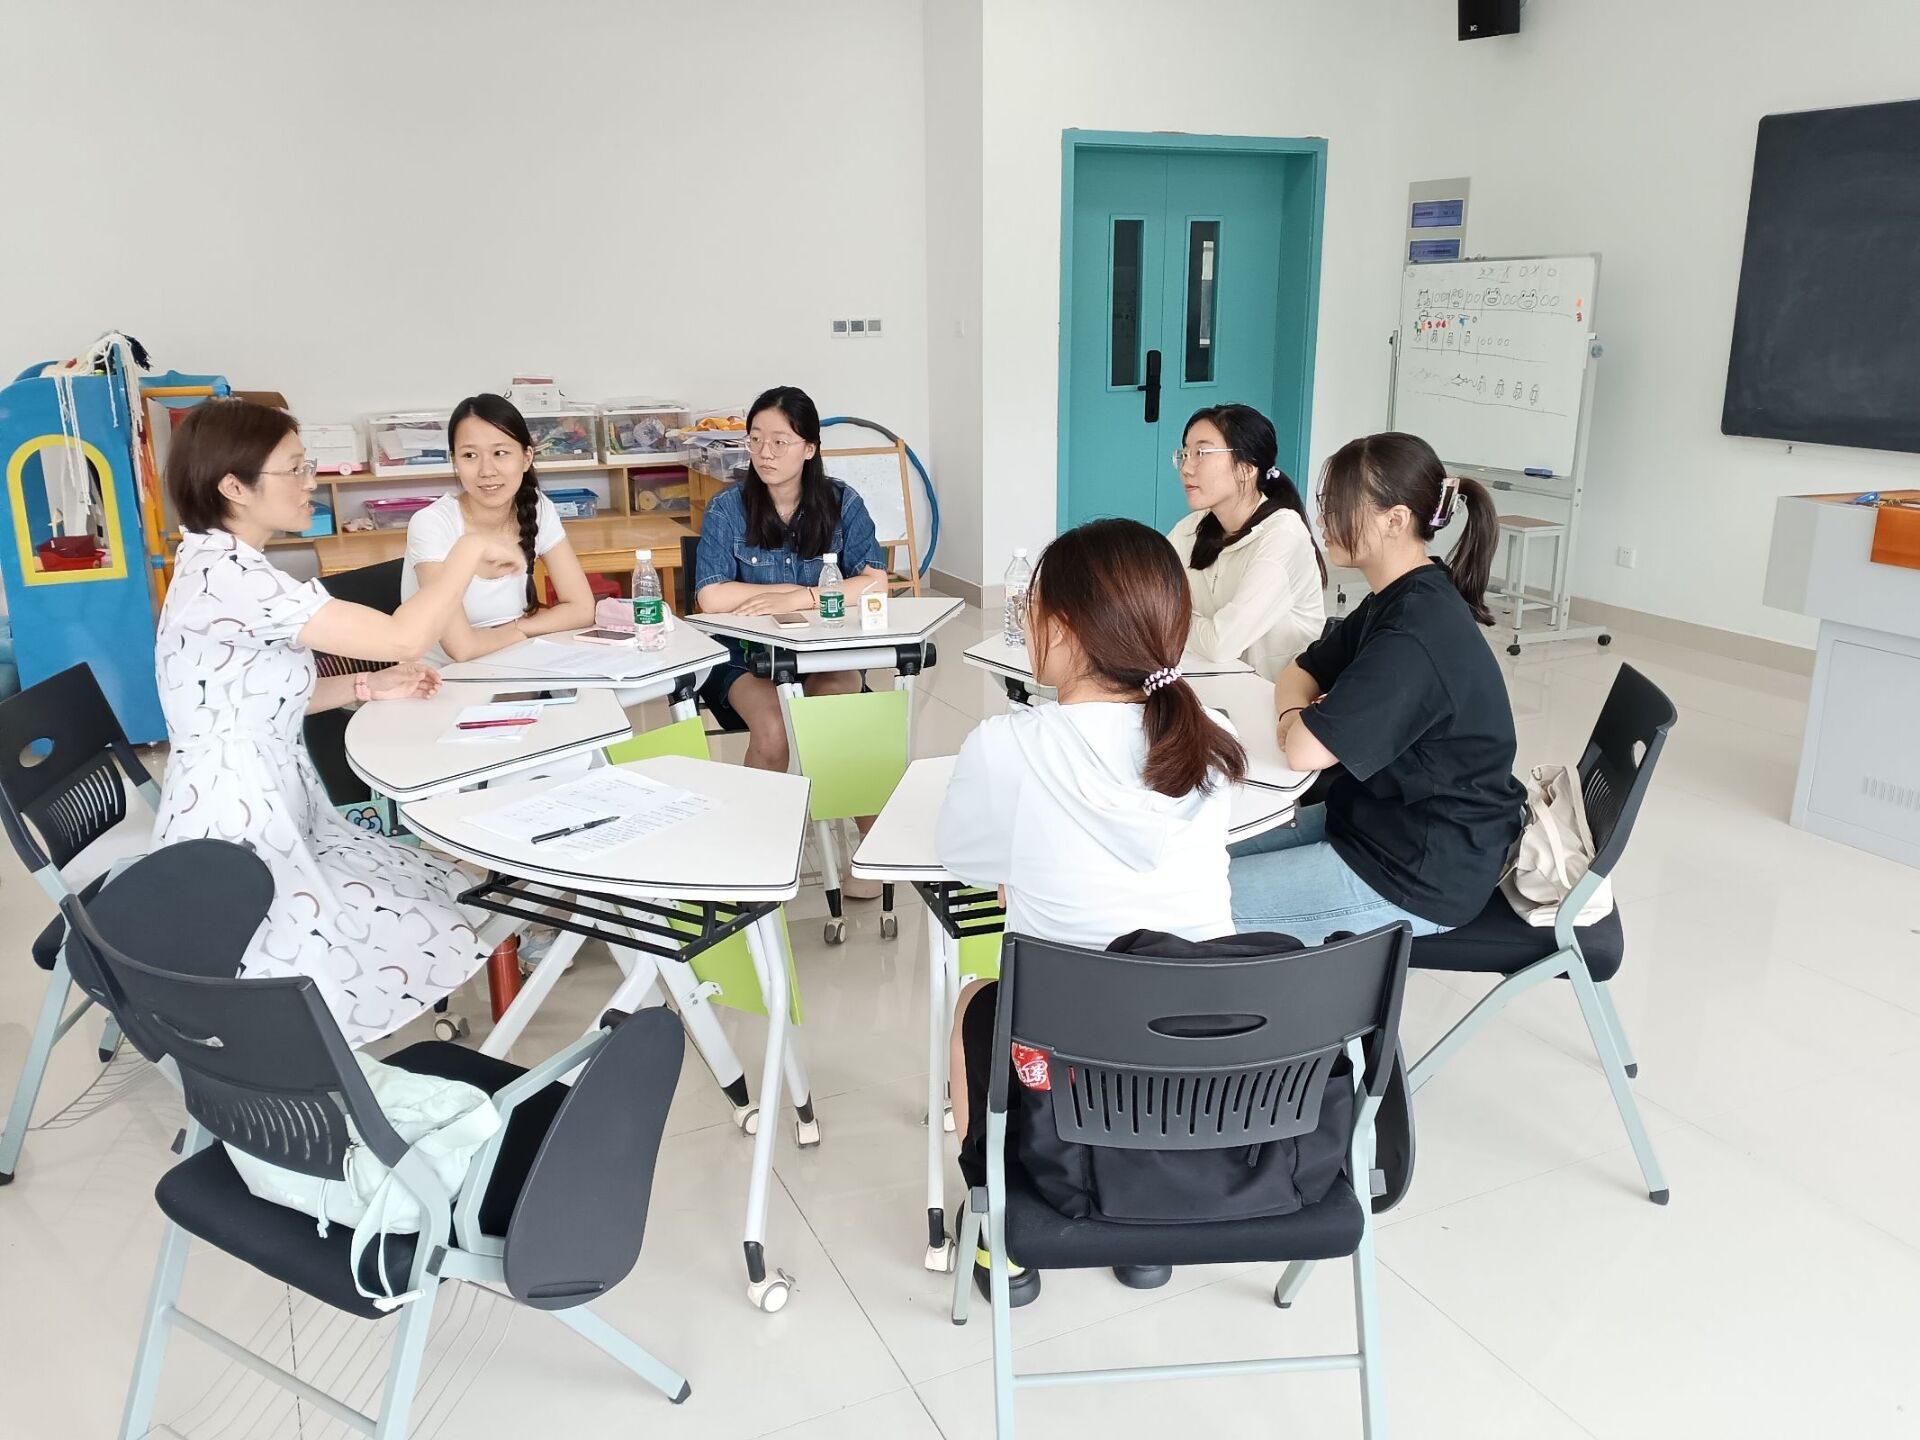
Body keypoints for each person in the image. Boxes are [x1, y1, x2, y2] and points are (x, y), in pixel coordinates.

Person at [936, 518, 1248, 1306]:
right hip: (1209, 1092)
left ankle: (998, 1235)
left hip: (1063, 1096)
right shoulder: (1214, 741)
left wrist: (1020, 874)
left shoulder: (1004, 746)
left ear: (1068, 629)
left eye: (1032, 609)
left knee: (977, 1001)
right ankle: (1145, 1242)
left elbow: (966, 863)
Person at [152, 398, 527, 1046]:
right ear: (234, 488)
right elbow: (405, 637)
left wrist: (362, 685)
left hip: (265, 795)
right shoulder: (233, 580)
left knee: (428, 886)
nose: (311, 482)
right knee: (404, 913)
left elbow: (251, 694)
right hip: (239, 824)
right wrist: (468, 551)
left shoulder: (226, 565)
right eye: (295, 469)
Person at [1229, 431, 1527, 945]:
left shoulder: (1416, 630)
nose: (1324, 519)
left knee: (1191, 902)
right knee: (1188, 862)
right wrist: (1297, 717)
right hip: (1368, 822)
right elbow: (1298, 673)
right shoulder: (1398, 595)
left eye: (1340, 506)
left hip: (1416, 870)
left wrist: (1301, 725)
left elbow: (1304, 751)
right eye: (1326, 503)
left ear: (1395, 519)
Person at [693, 385, 891, 893]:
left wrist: (796, 597)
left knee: (837, 716)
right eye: (756, 439)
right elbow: (711, 598)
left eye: (780, 441)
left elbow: (875, 582)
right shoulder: (727, 508)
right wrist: (812, 593)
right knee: (774, 730)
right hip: (743, 657)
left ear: (809, 447)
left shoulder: (842, 503)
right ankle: (753, 853)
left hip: (823, 649)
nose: (765, 453)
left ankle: (871, 851)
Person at [402, 394, 595, 665]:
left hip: (511, 665)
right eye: (470, 455)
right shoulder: (432, 523)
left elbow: (582, 608)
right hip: (441, 679)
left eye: (500, 453)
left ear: (526, 457)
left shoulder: (538, 507)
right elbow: (462, 648)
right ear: (455, 461)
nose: (487, 470)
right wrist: (522, 630)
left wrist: (517, 628)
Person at [1167, 404, 1326, 680]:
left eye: (1201, 453)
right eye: (1185, 454)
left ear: (1246, 468)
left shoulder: (1284, 533)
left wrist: (1172, 618)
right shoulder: (1190, 529)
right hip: (1217, 683)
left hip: (1276, 694)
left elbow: (1221, 643)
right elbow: (1143, 593)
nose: (1186, 468)